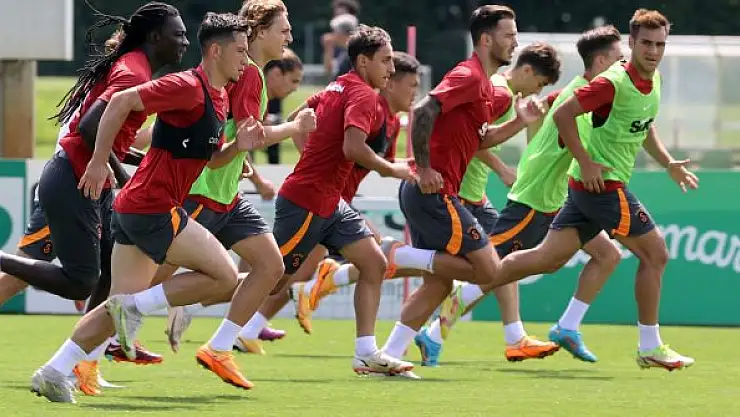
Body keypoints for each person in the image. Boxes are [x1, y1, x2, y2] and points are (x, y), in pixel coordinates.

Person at [30, 12, 256, 403]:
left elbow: (210, 159)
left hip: (138, 206)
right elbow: (120, 101)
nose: (246, 60)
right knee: (223, 275)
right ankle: (136, 307)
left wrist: (238, 148)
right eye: (240, 51)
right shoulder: (187, 86)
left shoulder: (218, 96)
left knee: (113, 310)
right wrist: (99, 159)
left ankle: (53, 371)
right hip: (153, 206)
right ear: (216, 51)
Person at [482, 9, 697, 371]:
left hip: (586, 189)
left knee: (548, 259)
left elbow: (643, 125)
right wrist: (584, 161)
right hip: (602, 186)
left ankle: (468, 288)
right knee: (656, 255)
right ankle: (650, 345)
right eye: (646, 43)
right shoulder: (613, 81)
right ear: (631, 43)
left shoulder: (653, 80)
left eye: (660, 44)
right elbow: (563, 114)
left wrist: (668, 163)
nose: (653, 51)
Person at [0, 1, 188, 391]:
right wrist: (120, 173)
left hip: (85, 181)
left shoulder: (136, 67)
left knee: (111, 273)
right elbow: (89, 127)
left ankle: (83, 362)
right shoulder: (134, 71)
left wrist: (133, 162)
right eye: (179, 34)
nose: (185, 41)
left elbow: (106, 136)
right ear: (156, 37)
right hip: (73, 179)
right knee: (79, 282)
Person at [424, 26, 628, 365]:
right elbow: (474, 135)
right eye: (620, 59)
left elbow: (549, 108)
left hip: (557, 197)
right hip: (534, 198)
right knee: (491, 270)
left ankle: (565, 327)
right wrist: (505, 168)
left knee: (607, 255)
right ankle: (432, 330)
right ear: (601, 61)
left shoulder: (580, 95)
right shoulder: (506, 94)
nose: (624, 66)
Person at [372, 5, 545, 372]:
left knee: (437, 286)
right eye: (508, 36)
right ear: (486, 39)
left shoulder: (484, 86)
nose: (514, 43)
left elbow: (481, 140)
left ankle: (387, 355)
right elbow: (423, 110)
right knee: (490, 270)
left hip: (430, 192)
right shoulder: (469, 75)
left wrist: (519, 122)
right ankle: (397, 255)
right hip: (433, 192)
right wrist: (424, 167)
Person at [270, 24, 419, 375]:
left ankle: (366, 352)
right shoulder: (364, 95)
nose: (391, 68)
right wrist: (391, 170)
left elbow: (295, 119)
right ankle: (182, 295)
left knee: (374, 262)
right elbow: (353, 148)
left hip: (331, 202)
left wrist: (313, 157)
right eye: (385, 60)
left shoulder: (337, 85)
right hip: (309, 199)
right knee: (271, 278)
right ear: (364, 62)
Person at [322, 0, 360, 78]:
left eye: (342, 15)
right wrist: (328, 49)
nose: (339, 19)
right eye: (336, 16)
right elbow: (329, 71)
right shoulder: (335, 43)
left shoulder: (361, 46)